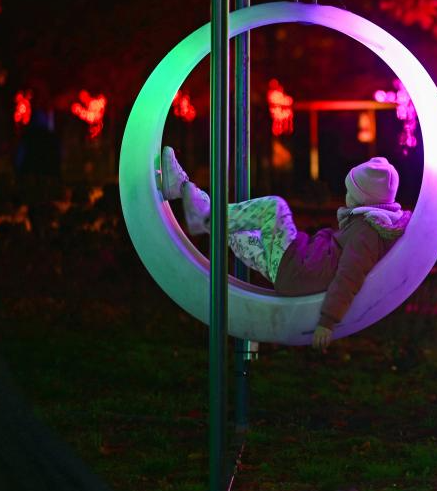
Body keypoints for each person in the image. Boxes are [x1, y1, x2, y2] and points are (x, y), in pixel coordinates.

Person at [159, 147, 411, 351]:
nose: (346, 196)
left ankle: (199, 209)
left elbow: (349, 276)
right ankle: (181, 187)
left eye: (350, 192)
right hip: (290, 271)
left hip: (297, 267)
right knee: (234, 231)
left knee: (275, 207)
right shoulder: (370, 228)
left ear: (363, 198)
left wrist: (328, 321)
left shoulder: (366, 232)